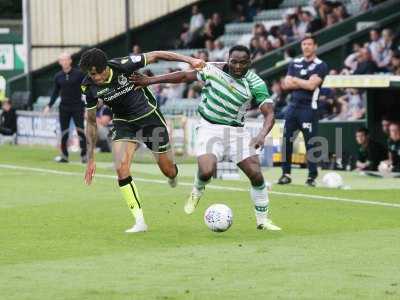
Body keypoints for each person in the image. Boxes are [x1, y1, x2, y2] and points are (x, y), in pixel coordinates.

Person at [132, 45, 281, 231]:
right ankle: (197, 190)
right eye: (234, 62)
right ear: (228, 59)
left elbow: (270, 114)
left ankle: (262, 220)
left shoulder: (255, 82)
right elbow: (185, 76)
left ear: (249, 63)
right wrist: (150, 80)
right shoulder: (212, 69)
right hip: (209, 128)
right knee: (206, 171)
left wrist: (260, 135)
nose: (237, 66)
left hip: (237, 133)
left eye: (243, 63)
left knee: (256, 175)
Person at [79, 48, 204, 233]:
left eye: (95, 74)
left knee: (168, 171)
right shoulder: (88, 86)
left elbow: (157, 54)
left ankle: (173, 176)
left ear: (105, 68)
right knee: (121, 168)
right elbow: (90, 121)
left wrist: (190, 60)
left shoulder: (124, 65)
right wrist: (90, 158)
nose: (93, 78)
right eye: (90, 74)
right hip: (123, 122)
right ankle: (140, 221)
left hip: (148, 117)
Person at [278, 35, 329, 186]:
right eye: (304, 44)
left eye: (309, 44)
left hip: (309, 109)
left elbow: (312, 86)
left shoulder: (321, 65)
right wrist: (305, 81)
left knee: (311, 143)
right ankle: (285, 174)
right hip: (292, 108)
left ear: (315, 46)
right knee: (286, 141)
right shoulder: (295, 63)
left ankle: (311, 177)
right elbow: (286, 84)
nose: (306, 47)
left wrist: (297, 81)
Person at [43, 52, 87, 163]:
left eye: (66, 59)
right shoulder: (58, 76)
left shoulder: (79, 74)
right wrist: (49, 106)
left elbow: (86, 90)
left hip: (77, 106)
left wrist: (87, 107)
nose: (64, 62)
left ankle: (85, 155)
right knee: (64, 132)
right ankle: (64, 156)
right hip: (64, 108)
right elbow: (55, 93)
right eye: (62, 60)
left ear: (70, 61)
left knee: (80, 130)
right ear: (59, 62)